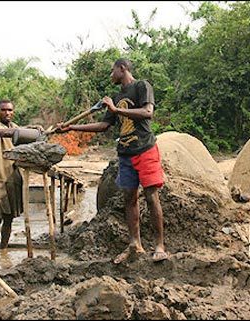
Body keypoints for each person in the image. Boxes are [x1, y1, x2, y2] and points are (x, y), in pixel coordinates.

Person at [56, 58, 168, 263]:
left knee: (152, 196)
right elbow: (104, 125)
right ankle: (135, 243)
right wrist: (71, 128)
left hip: (145, 149)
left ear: (122, 68)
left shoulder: (142, 86)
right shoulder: (116, 96)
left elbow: (147, 113)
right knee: (129, 198)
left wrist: (116, 110)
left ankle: (159, 245)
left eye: (112, 71)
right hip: (125, 153)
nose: (110, 75)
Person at [0, 99, 24, 256]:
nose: (7, 113)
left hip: (14, 177)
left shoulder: (16, 128)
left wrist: (35, 130)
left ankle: (4, 252)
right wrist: (23, 132)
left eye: (10, 110)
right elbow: (1, 134)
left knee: (9, 218)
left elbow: (26, 138)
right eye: (3, 110)